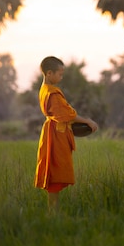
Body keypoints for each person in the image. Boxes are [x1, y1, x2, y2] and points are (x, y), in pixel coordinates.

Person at [34, 56, 98, 211]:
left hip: (54, 130)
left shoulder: (44, 90)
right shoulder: (52, 92)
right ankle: (53, 211)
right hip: (56, 134)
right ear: (49, 73)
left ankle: (53, 210)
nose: (61, 77)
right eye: (60, 74)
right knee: (55, 170)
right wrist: (88, 122)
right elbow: (66, 114)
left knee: (54, 170)